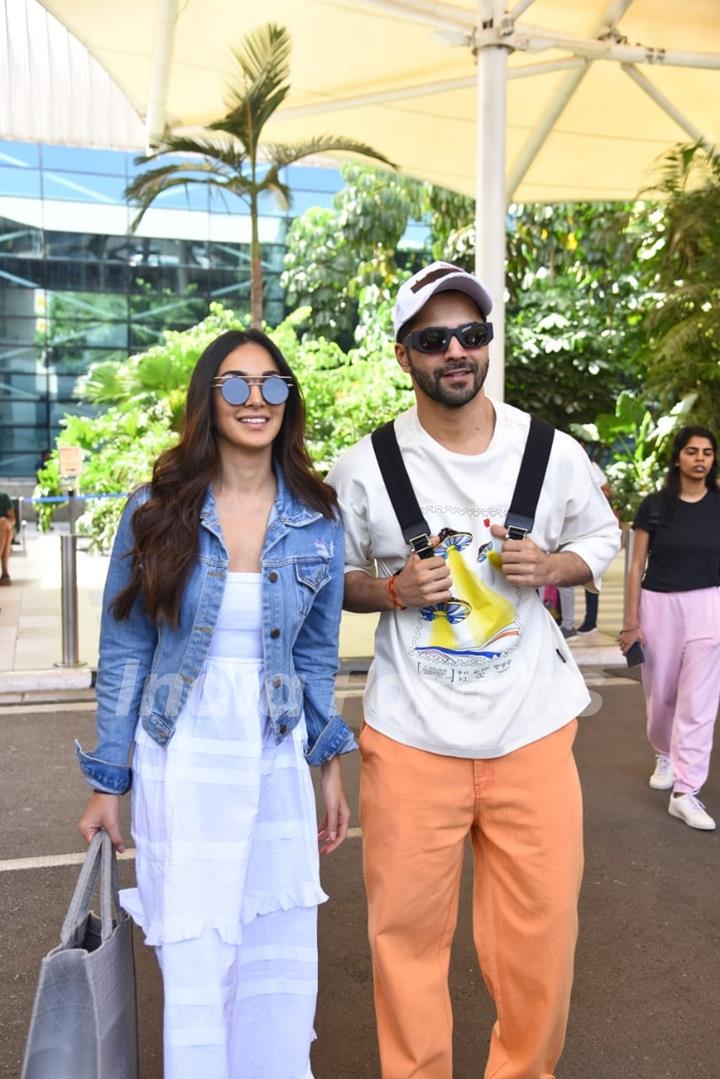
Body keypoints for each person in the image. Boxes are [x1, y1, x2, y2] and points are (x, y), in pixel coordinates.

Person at [328, 261, 620, 1079]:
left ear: (487, 342)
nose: (456, 350)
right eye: (434, 339)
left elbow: (598, 538)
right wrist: (388, 589)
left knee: (542, 937)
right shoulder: (365, 466)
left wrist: (552, 565)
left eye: (472, 334)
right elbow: (333, 575)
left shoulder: (551, 452)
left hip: (530, 729)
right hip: (412, 736)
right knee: (406, 940)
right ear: (403, 355)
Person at [77, 329, 354, 1079]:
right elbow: (126, 650)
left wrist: (327, 764)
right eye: (235, 385)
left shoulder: (319, 519)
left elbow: (315, 655)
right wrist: (110, 781)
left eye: (271, 385)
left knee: (273, 950)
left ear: (290, 401)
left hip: (274, 748)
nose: (255, 399)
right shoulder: (156, 509)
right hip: (184, 747)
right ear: (209, 398)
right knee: (198, 957)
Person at [620, 425, 720, 831]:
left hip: (708, 605)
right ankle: (664, 752)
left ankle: (686, 790)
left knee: (699, 702)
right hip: (658, 605)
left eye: (708, 453)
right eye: (693, 451)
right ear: (677, 456)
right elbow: (635, 566)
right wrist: (631, 622)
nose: (701, 459)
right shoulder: (654, 506)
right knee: (661, 693)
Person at [0, 488, 15, 584]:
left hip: (4, 528)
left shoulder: (4, 497)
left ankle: (5, 574)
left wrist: (4, 523)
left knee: (3, 523)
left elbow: (12, 520)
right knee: (5, 535)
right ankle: (5, 573)